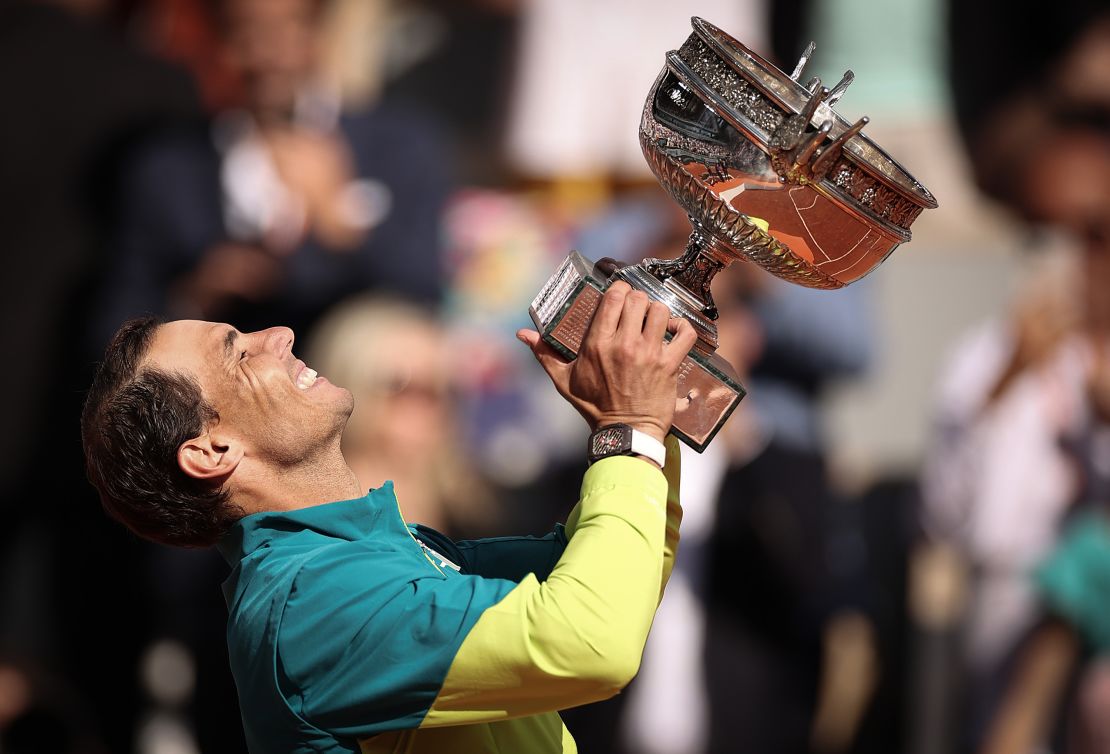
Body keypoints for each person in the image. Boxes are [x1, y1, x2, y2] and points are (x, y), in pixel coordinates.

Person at [80, 281, 697, 753]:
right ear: (212, 450)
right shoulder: (309, 605)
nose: (280, 335)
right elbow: (592, 642)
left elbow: (615, 575)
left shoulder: (354, 558)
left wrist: (642, 414)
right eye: (238, 353)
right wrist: (629, 429)